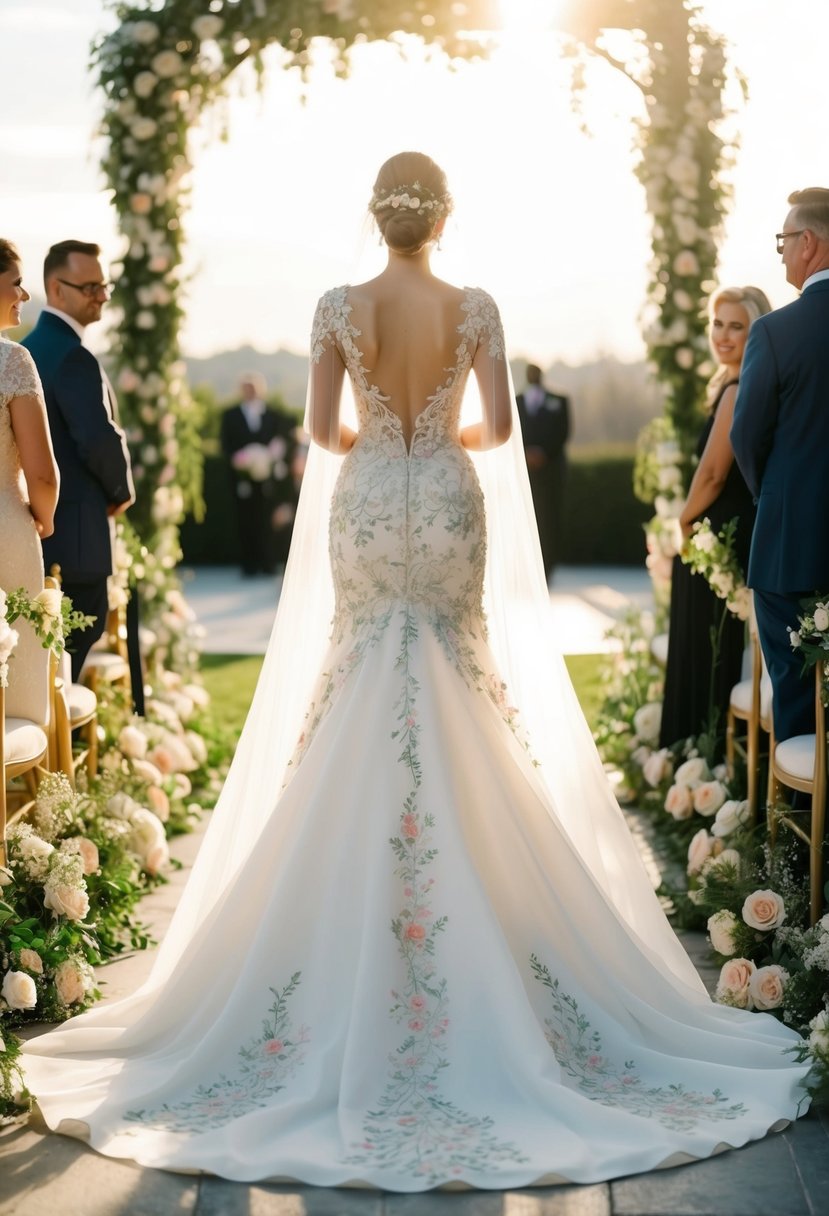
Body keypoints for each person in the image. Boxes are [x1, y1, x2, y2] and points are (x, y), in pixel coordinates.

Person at [22, 155, 808, 1190]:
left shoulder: (335, 305)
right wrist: (432, 433)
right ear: (445, 215)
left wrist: (377, 435)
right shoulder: (473, 304)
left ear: (374, 217)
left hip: (363, 503)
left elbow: (318, 430)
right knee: (452, 671)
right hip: (444, 497)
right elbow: (494, 427)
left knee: (362, 672)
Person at [731, 187, 829, 743]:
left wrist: (775, 493)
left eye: (784, 241)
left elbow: (747, 437)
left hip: (790, 548)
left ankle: (798, 827)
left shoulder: (775, 332)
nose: (782, 253)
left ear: (809, 244)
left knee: (795, 699)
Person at [659, 285, 771, 750]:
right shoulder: (736, 383)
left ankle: (698, 749)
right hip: (721, 536)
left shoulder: (738, 388)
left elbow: (712, 473)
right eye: (717, 323)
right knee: (709, 646)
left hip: (715, 538)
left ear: (755, 332)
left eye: (736, 326)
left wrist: (683, 524)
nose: (723, 335)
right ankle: (702, 753)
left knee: (705, 648)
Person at [22, 240, 134, 682]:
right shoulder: (72, 356)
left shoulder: (31, 349)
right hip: (76, 540)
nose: (102, 295)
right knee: (65, 665)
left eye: (103, 285)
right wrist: (121, 493)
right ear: (57, 288)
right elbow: (97, 439)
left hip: (41, 538)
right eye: (90, 286)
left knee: (47, 670)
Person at [0, 239, 59, 727]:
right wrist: (43, 516)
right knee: (13, 681)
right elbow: (41, 472)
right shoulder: (13, 361)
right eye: (15, 282)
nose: (23, 294)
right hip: (5, 529)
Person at [220, 373, 297, 577]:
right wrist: (241, 462)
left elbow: (284, 438)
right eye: (246, 388)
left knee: (268, 520)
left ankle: (268, 563)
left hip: (268, 480)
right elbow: (226, 445)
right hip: (242, 479)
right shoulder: (230, 415)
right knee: (245, 521)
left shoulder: (273, 415)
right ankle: (248, 565)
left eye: (253, 387)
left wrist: (270, 458)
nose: (250, 391)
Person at [516, 363, 570, 581]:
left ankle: (547, 568)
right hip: (523, 472)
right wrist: (524, 455)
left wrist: (543, 454)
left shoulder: (559, 400)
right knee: (525, 519)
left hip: (551, 472)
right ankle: (524, 569)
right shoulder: (516, 401)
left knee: (550, 520)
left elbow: (564, 431)